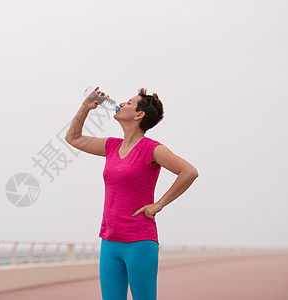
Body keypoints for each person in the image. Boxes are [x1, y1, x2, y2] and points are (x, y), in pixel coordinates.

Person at [64, 86, 199, 300]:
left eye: (129, 102)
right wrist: (85, 108)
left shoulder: (152, 149)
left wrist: (159, 204)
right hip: (109, 240)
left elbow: (189, 172)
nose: (122, 104)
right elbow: (73, 139)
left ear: (139, 114)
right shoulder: (111, 146)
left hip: (139, 241)